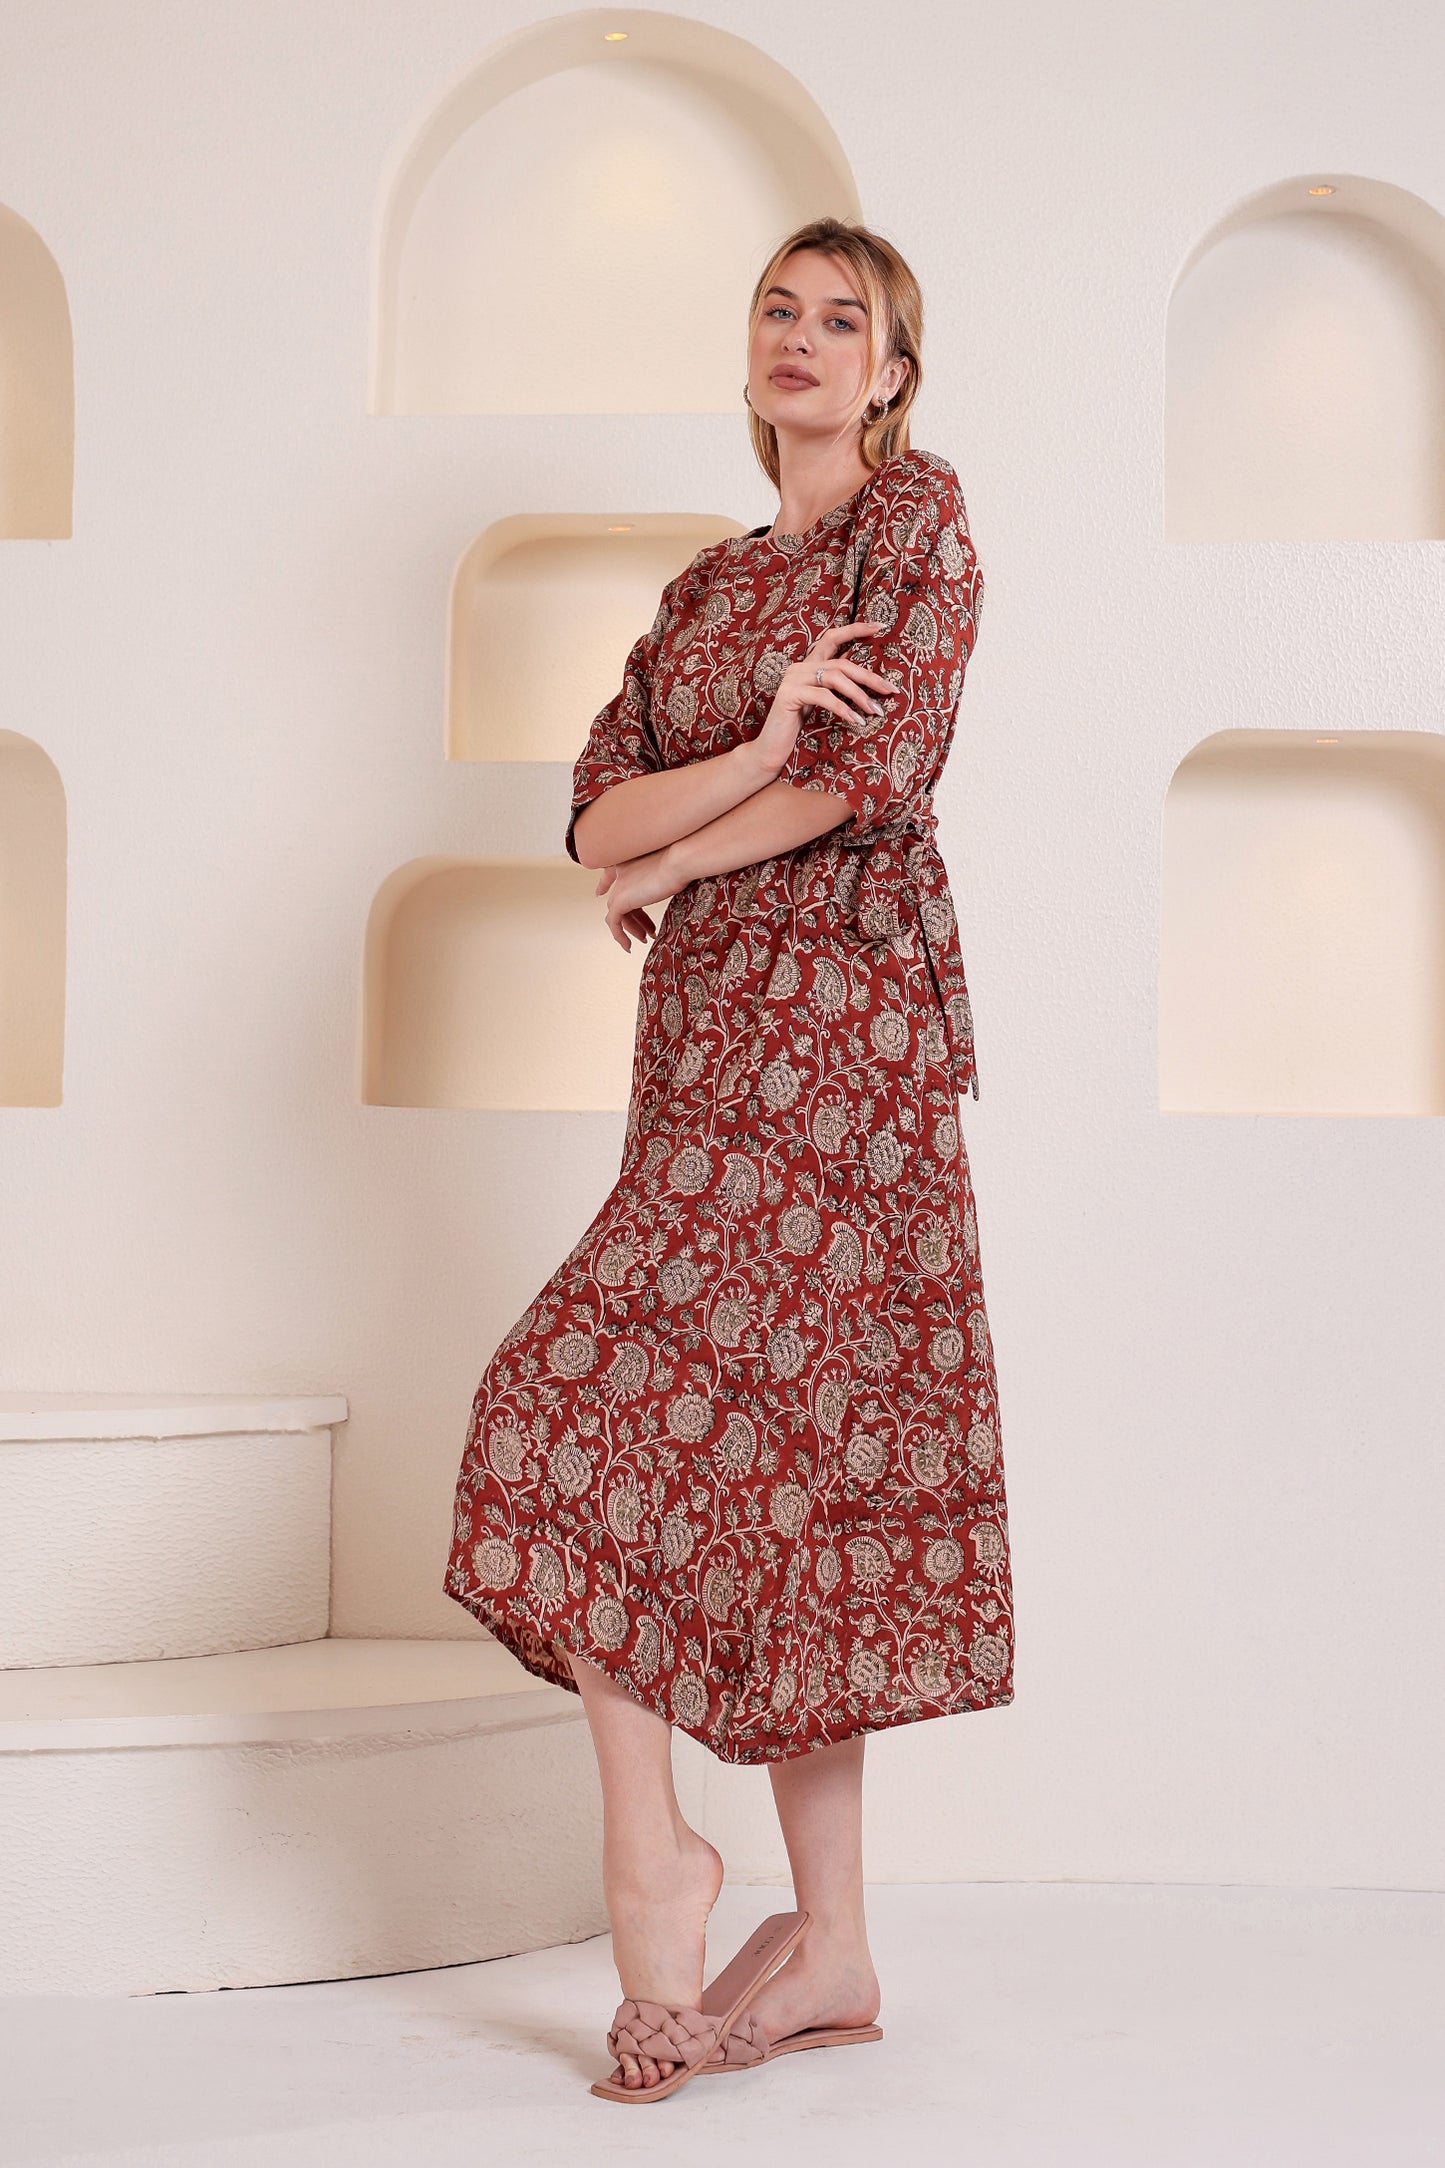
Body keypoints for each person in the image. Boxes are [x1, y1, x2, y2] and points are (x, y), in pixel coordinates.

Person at [443, 214, 1014, 2104]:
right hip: (701, 1059)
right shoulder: (704, 595)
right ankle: (825, 1942)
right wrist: (742, 747)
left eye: (841, 319)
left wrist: (675, 861)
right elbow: (592, 801)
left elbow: (885, 765)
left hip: (843, 1054)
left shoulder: (913, 523)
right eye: (777, 309)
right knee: (738, 1474)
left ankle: (658, 1878)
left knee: (610, 1414)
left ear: (891, 369)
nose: (801, 337)